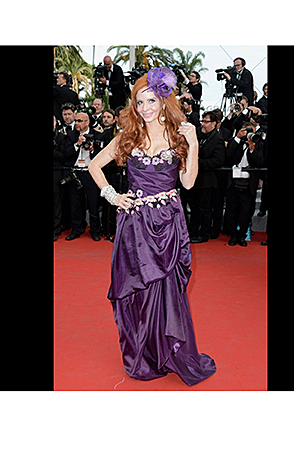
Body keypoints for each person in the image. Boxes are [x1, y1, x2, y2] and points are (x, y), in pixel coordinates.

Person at [88, 68, 216, 386]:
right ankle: (143, 353)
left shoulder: (177, 137)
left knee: (168, 291)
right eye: (139, 102)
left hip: (168, 224)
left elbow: (188, 182)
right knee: (138, 291)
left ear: (163, 102)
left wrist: (194, 144)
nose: (145, 108)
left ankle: (169, 351)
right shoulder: (128, 137)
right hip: (135, 227)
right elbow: (94, 165)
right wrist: (113, 196)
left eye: (151, 101)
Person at [64, 112, 107, 241]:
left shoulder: (98, 135)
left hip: (91, 173)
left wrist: (92, 150)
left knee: (93, 202)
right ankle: (77, 229)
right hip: (75, 172)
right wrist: (77, 144)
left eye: (80, 121)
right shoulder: (71, 135)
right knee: (75, 203)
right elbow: (66, 154)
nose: (77, 123)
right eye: (76, 121)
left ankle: (95, 230)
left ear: (87, 122)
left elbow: (102, 155)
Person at [224, 122, 265, 246]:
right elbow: (228, 155)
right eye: (248, 132)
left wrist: (252, 148)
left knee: (245, 213)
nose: (250, 135)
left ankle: (242, 236)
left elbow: (259, 162)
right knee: (231, 212)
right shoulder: (235, 141)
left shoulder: (259, 144)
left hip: (248, 185)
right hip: (233, 183)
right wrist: (237, 138)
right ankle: (233, 236)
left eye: (252, 132)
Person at [188, 110, 226, 243]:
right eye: (202, 121)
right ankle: (193, 232)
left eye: (206, 122)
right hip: (196, 179)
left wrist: (198, 162)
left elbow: (218, 161)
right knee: (194, 207)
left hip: (207, 181)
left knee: (205, 209)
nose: (202, 124)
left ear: (214, 123)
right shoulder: (200, 136)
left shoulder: (218, 139)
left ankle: (204, 234)